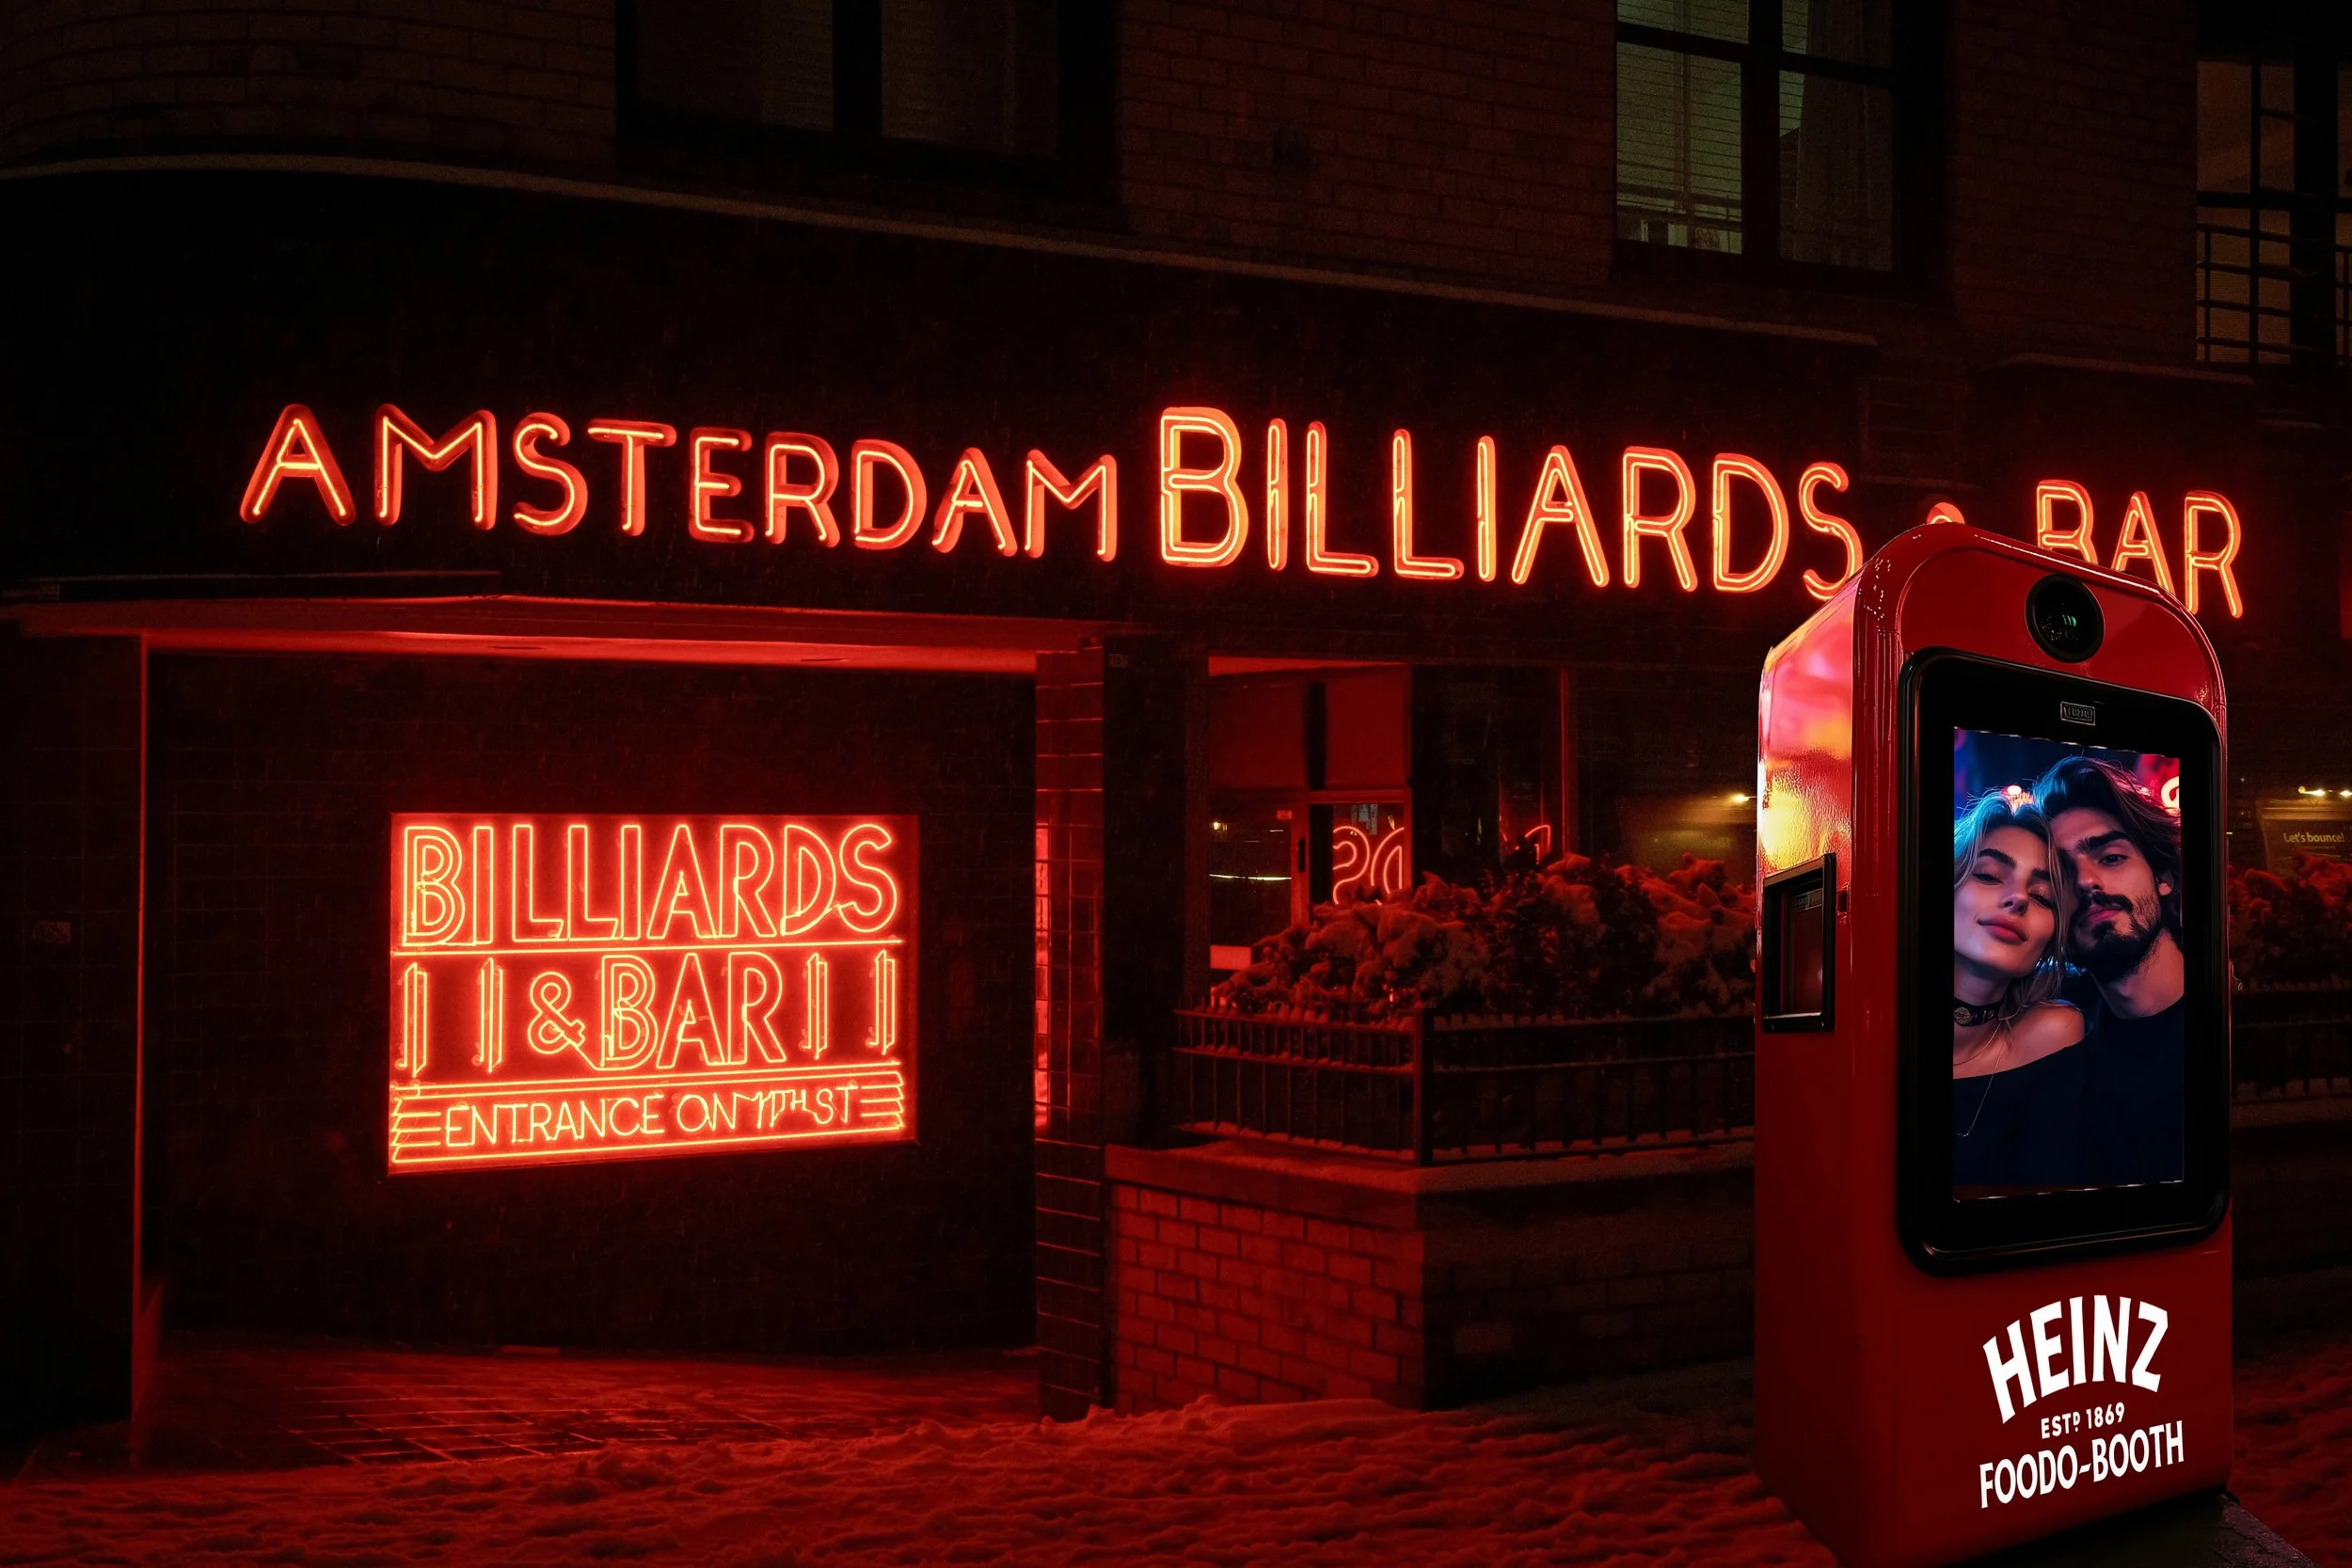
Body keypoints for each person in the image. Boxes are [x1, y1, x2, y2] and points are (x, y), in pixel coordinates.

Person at [2034, 754, 2187, 1185]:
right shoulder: (2058, 1031)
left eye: (2111, 857)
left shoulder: (2228, 1021)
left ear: (2162, 876)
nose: (2086, 882)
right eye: (2062, 873)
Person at [1949, 791, 2088, 1190]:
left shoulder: (2054, 1035)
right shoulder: (1869, 1032)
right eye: (1989, 875)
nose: (2019, 898)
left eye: (2042, 896)